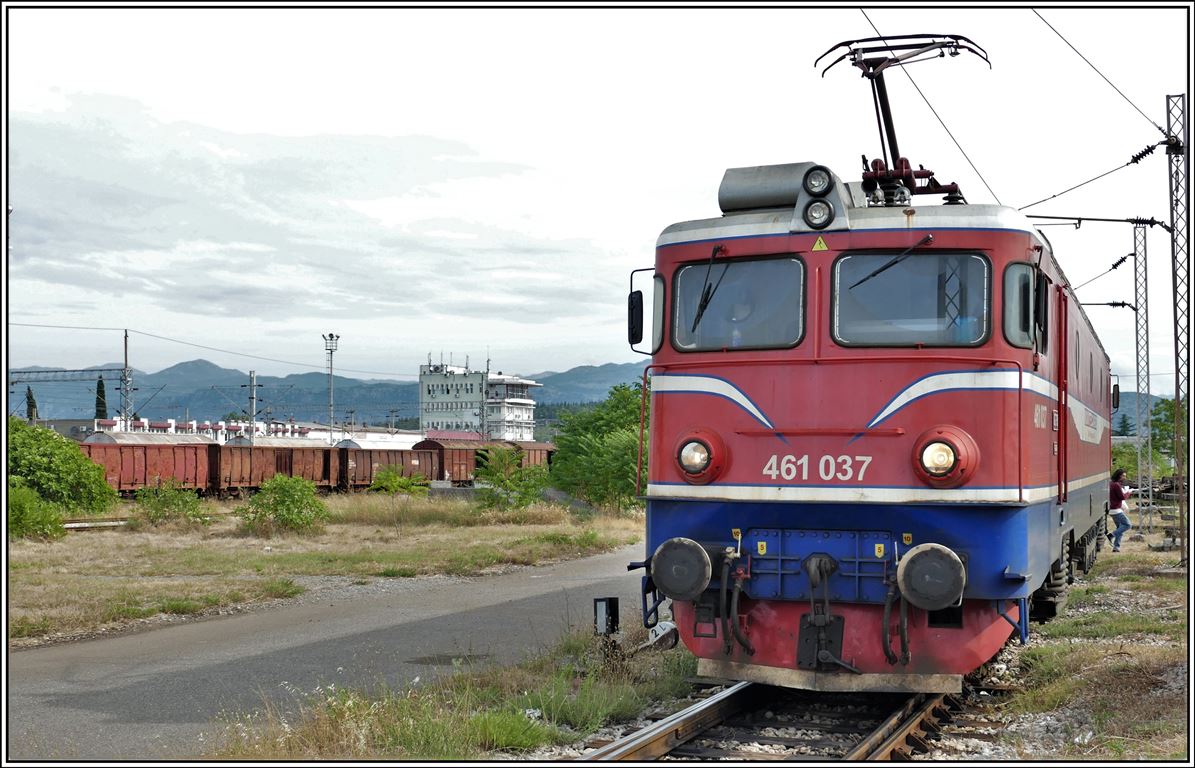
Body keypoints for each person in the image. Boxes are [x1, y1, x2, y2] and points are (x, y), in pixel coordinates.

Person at [1108, 469, 1135, 552]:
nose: (1124, 477)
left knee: (1120, 527)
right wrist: (1129, 492)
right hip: (1116, 510)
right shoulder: (1116, 485)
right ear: (1119, 475)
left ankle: (1116, 547)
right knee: (1128, 525)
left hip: (1112, 509)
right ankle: (1111, 535)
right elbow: (1122, 497)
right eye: (1123, 476)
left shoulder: (1111, 484)